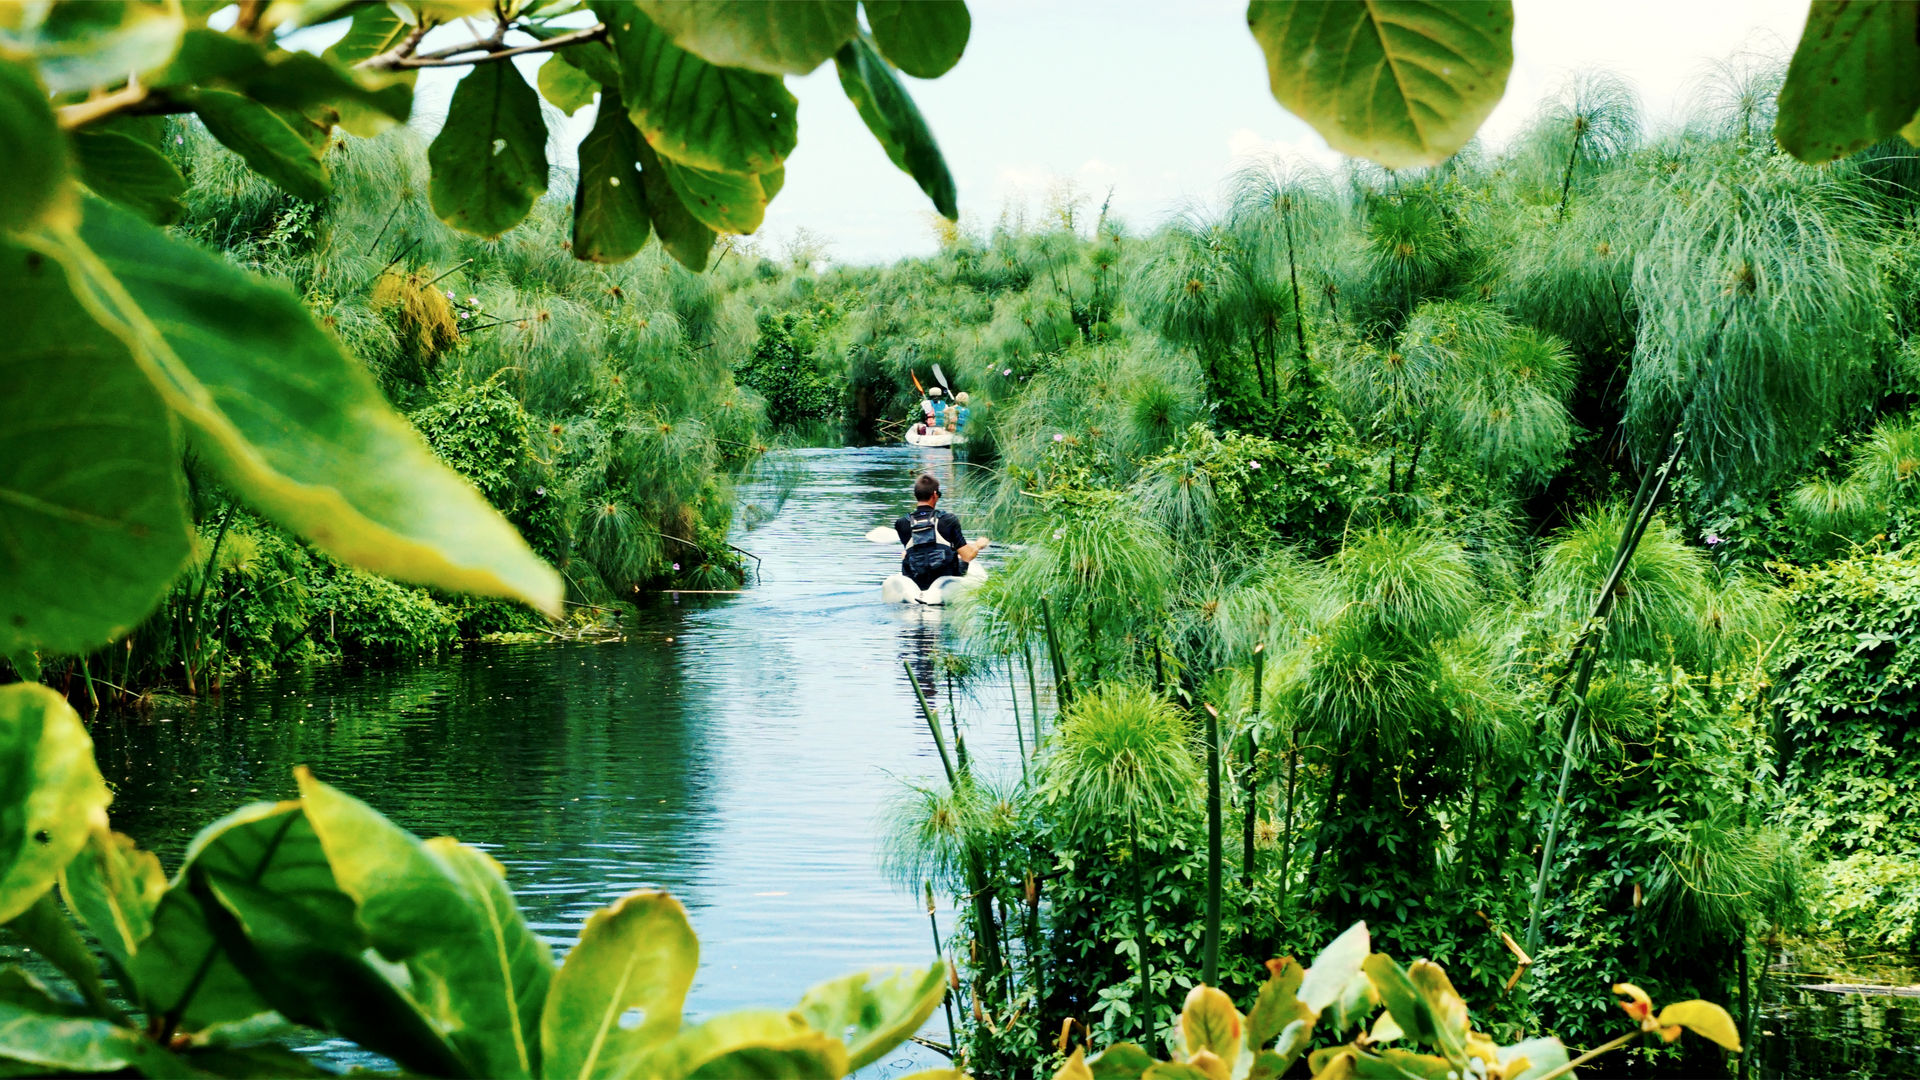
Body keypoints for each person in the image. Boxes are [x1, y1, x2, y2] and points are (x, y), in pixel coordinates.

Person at [895, 473, 988, 589]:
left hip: (917, 580)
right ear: (935, 494)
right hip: (945, 579)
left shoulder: (901, 523)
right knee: (961, 557)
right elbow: (967, 555)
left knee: (905, 554)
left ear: (915, 495)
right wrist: (978, 545)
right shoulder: (948, 520)